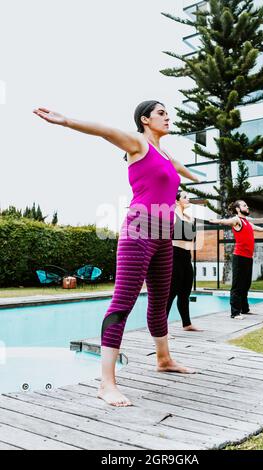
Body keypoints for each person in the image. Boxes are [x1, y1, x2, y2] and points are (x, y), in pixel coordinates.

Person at [33, 100, 200, 407]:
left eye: (167, 113)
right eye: (161, 113)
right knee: (123, 301)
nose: (168, 117)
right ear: (145, 119)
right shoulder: (137, 143)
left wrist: (195, 179)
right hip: (139, 229)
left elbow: (178, 169)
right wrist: (66, 120)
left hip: (164, 235)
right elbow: (104, 131)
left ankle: (163, 359)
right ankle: (106, 383)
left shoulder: (164, 153)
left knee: (160, 301)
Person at [210, 200, 263, 319]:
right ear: (238, 209)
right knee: (237, 286)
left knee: (246, 285)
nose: (247, 207)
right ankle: (235, 312)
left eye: (247, 205)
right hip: (239, 257)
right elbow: (227, 221)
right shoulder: (237, 220)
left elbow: (255, 228)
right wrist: (218, 221)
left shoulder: (246, 222)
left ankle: (244, 309)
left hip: (248, 258)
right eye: (244, 205)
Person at [166, 190, 202, 331]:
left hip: (187, 257)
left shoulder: (190, 218)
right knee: (171, 293)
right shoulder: (172, 216)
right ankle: (162, 329)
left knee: (185, 293)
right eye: (185, 197)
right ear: (176, 201)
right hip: (174, 256)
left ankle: (186, 324)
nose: (188, 199)